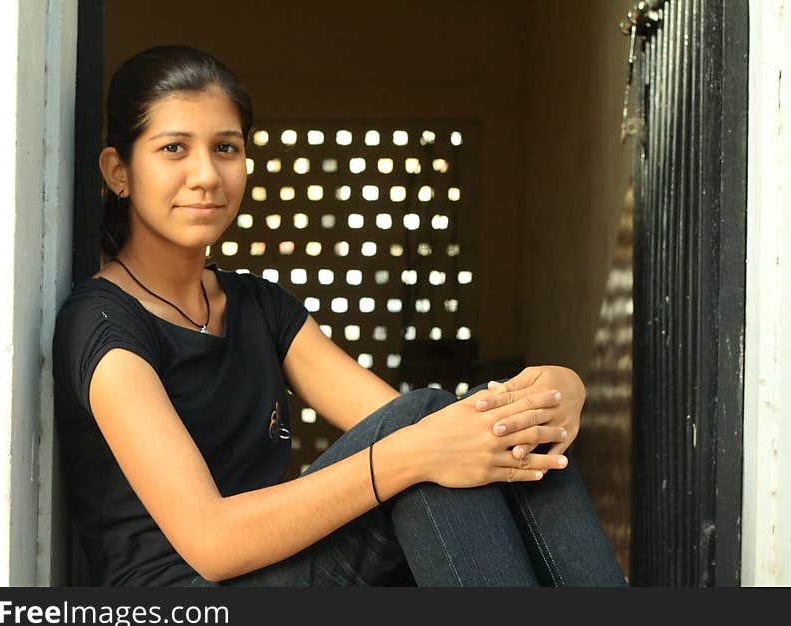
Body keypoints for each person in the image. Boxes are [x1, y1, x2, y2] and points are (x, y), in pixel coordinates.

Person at [52, 45, 626, 588]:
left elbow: (418, 424)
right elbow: (212, 541)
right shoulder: (104, 326)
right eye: (174, 148)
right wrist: (416, 451)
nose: (206, 174)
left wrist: (555, 393)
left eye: (226, 148)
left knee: (476, 437)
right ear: (118, 171)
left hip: (284, 575)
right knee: (423, 437)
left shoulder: (257, 306)